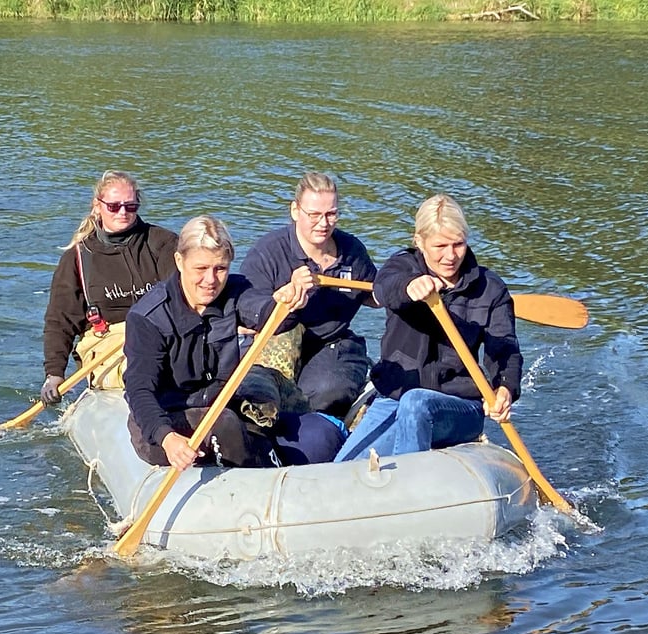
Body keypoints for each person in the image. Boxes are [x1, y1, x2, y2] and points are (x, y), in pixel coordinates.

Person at [124, 215, 345, 471]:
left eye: (220, 269)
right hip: (167, 420)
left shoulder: (235, 291)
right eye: (201, 269)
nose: (211, 280)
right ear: (179, 262)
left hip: (224, 402)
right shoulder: (148, 317)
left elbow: (265, 313)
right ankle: (264, 474)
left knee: (319, 435)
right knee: (224, 424)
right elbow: (139, 390)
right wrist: (167, 437)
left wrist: (288, 303)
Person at [334, 194, 523, 462]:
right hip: (394, 397)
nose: (451, 255)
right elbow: (384, 288)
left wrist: (504, 388)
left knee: (416, 403)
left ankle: (410, 482)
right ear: (419, 242)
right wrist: (409, 287)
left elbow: (505, 348)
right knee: (344, 466)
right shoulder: (401, 267)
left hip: (459, 406)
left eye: (458, 244)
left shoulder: (490, 288)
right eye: (440, 246)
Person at [239, 172, 378, 417]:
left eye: (331, 214)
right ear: (295, 211)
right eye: (314, 215)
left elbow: (375, 295)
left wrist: (404, 286)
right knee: (259, 394)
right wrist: (280, 300)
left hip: (331, 344)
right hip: (277, 340)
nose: (323, 224)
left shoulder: (352, 251)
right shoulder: (268, 251)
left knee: (324, 391)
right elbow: (245, 306)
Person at [41, 171, 178, 405]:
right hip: (106, 344)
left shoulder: (164, 243)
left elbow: (184, 297)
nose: (123, 212)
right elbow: (59, 320)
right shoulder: (77, 257)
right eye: (114, 207)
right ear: (98, 206)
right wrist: (54, 374)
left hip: (158, 335)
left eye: (131, 206)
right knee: (142, 365)